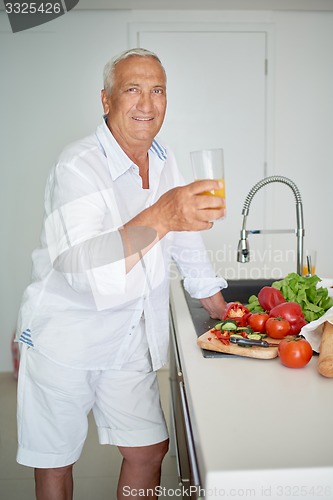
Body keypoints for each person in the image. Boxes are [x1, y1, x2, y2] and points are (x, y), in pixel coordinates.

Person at [16, 47, 228, 500]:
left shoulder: (165, 157)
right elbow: (86, 271)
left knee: (150, 450)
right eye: (132, 89)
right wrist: (163, 214)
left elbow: (185, 235)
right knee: (56, 459)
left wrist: (216, 302)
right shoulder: (78, 164)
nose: (147, 104)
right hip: (64, 334)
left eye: (157, 90)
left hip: (127, 332)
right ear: (106, 100)